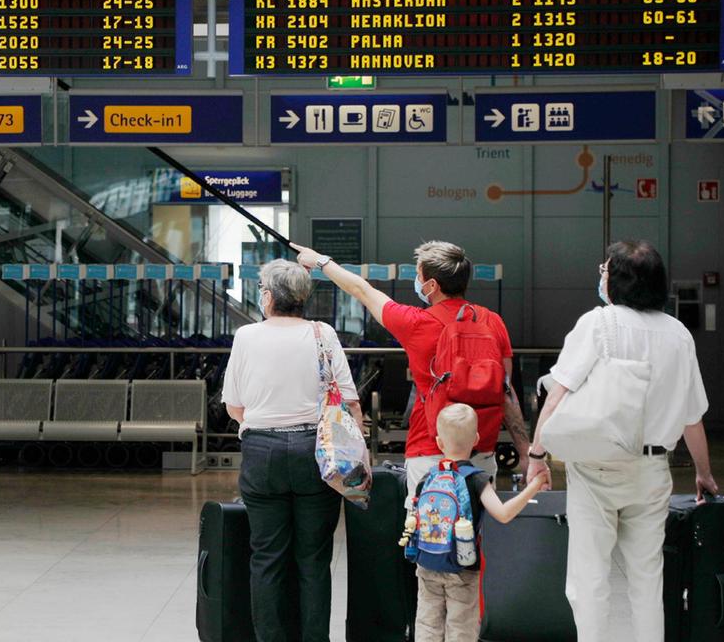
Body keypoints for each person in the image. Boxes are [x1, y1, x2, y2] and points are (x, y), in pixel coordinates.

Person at [528, 240, 719, 642]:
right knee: (647, 579)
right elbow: (692, 418)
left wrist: (537, 453)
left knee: (589, 578)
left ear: (618, 280)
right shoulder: (679, 334)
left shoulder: (599, 323)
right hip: (651, 471)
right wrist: (704, 474)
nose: (601, 277)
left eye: (605, 271)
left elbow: (558, 392)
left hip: (596, 467)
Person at [292, 241, 531, 503]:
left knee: (426, 536)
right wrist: (525, 453)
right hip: (481, 451)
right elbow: (506, 393)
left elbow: (361, 290)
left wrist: (320, 261)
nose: (416, 282)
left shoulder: (416, 322)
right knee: (474, 534)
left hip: (429, 451)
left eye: (418, 276)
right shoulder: (492, 321)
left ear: (431, 286)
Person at [223, 259, 362, 642]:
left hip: (262, 452)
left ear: (268, 296)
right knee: (314, 559)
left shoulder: (246, 336)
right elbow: (350, 402)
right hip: (316, 453)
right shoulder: (323, 334)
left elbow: (235, 407)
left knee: (266, 557)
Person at [414, 404, 549, 642]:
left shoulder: (428, 478)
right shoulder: (477, 479)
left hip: (427, 564)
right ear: (476, 439)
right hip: (462, 567)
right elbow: (504, 514)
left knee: (427, 625)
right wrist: (534, 486)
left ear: (439, 442)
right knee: (461, 628)